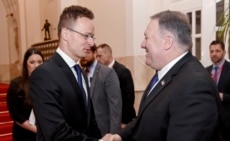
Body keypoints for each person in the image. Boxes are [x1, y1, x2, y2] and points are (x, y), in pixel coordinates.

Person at [105, 10, 221, 141]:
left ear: (167, 41)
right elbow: (146, 118)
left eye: (147, 37)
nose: (142, 44)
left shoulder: (194, 85)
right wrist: (120, 136)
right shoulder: (164, 73)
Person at [29, 5, 103, 141]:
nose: (91, 42)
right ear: (66, 34)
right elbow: (55, 132)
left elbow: (89, 121)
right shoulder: (43, 75)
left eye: (92, 36)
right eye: (86, 36)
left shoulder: (80, 72)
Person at [80, 44, 122, 135]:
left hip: (103, 130)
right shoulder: (80, 73)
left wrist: (114, 135)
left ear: (95, 53)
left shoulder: (107, 73)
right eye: (81, 53)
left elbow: (115, 106)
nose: (83, 57)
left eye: (86, 53)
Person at [7, 47, 44, 141]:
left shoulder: (48, 83)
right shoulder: (16, 85)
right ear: (25, 65)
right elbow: (15, 114)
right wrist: (36, 129)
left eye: (40, 62)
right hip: (24, 134)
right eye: (32, 62)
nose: (36, 65)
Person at [96, 43, 136, 128]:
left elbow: (129, 97)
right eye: (97, 57)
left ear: (109, 54)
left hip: (123, 120)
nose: (98, 59)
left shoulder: (123, 71)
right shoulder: (99, 72)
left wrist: (123, 121)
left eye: (100, 56)